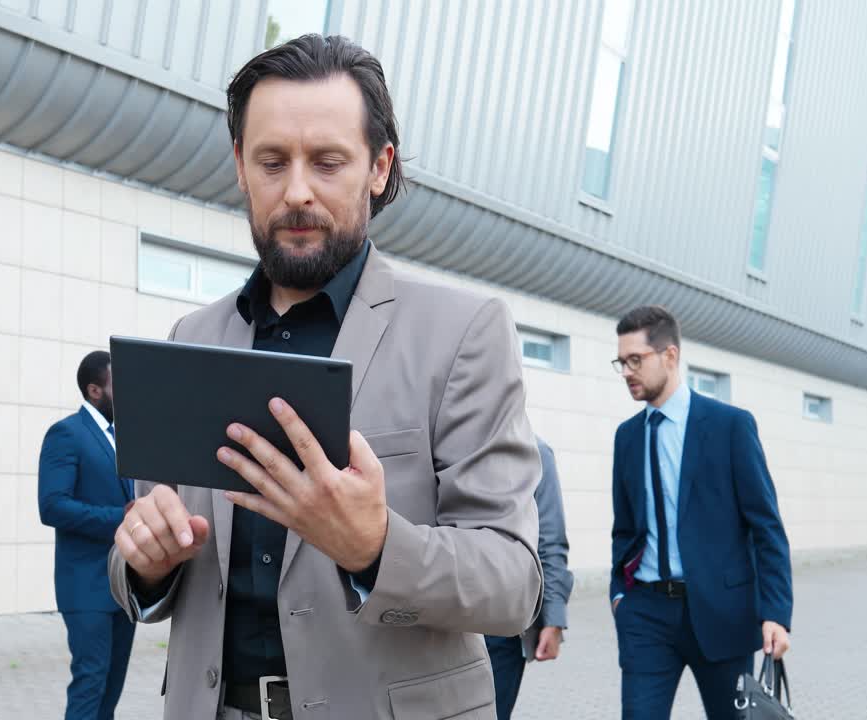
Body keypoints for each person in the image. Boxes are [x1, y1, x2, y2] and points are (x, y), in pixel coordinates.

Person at [107, 34, 544, 720]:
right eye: (273, 161)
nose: (298, 190)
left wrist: (375, 547)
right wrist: (142, 560)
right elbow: (139, 550)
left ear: (379, 166)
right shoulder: (191, 340)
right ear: (240, 169)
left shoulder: (464, 332)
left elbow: (514, 584)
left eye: (328, 161)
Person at [609, 306, 792, 720]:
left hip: (722, 612)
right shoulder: (627, 438)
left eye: (636, 360)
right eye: (621, 362)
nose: (627, 371)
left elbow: (766, 527)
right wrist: (620, 596)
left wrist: (776, 613)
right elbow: (624, 528)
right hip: (647, 615)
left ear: (669, 356)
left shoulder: (730, 426)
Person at [38, 351, 135, 720]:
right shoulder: (67, 434)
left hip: (123, 587)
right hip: (85, 586)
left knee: (111, 690)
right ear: (95, 390)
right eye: (117, 385)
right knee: (90, 685)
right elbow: (52, 506)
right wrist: (119, 519)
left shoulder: (124, 437)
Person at [485, 437, 574, 720]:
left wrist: (554, 616)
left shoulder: (534, 452)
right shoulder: (438, 444)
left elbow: (549, 540)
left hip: (500, 628)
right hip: (438, 623)